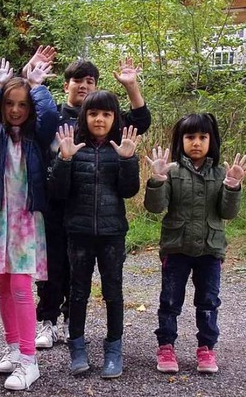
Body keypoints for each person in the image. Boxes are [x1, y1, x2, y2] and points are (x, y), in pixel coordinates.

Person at [25, 49, 152, 350]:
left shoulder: (102, 117)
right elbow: (19, 109)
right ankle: (48, 321)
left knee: (79, 272)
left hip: (90, 208)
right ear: (66, 84)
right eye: (77, 80)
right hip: (56, 200)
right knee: (52, 266)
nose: (83, 85)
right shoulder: (52, 115)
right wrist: (30, 77)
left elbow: (140, 121)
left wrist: (131, 86)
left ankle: (72, 322)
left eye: (90, 81)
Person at [0, 58, 58, 390]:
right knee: (4, 287)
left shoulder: (37, 137)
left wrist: (36, 86)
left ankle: (29, 360)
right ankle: (12, 348)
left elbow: (49, 114)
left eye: (22, 104)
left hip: (25, 222)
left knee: (21, 287)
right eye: (10, 103)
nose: (16, 110)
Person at [143, 113, 246, 374]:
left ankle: (206, 348)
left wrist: (233, 186)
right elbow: (155, 207)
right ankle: (166, 346)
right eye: (190, 137)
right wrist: (158, 180)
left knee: (208, 301)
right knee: (170, 300)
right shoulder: (173, 172)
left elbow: (227, 213)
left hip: (210, 249)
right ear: (180, 140)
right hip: (176, 247)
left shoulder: (219, 174)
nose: (196, 142)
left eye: (203, 137)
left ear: (211, 140)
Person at [50, 91, 141, 379]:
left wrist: (127, 160)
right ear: (83, 117)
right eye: (93, 114)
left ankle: (113, 349)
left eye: (106, 114)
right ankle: (77, 347)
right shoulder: (71, 148)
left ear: (114, 118)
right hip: (78, 233)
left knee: (113, 292)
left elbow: (129, 191)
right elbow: (57, 192)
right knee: (78, 293)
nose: (99, 119)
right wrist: (64, 160)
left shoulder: (122, 149)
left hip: (112, 233)